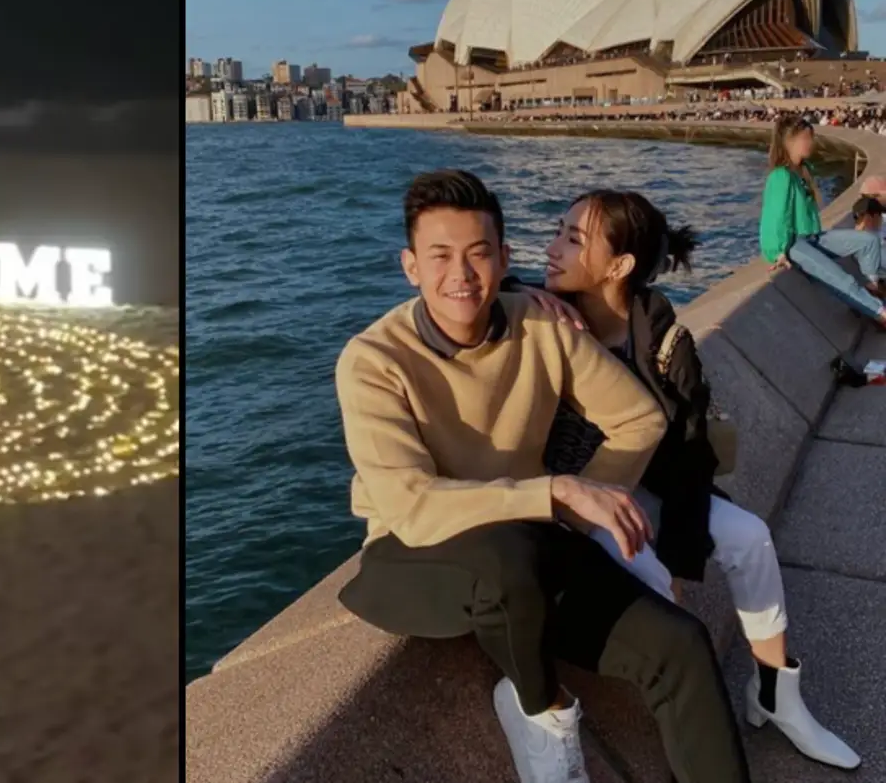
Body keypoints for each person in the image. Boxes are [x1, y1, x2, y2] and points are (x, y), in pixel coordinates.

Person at [334, 170, 750, 783]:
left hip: (529, 541)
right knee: (509, 549)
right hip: (412, 554)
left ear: (505, 258)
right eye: (440, 256)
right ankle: (543, 710)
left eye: (480, 255)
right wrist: (554, 491)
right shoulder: (373, 360)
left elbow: (638, 418)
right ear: (410, 267)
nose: (462, 275)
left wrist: (583, 505)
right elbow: (413, 507)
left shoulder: (541, 323)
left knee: (680, 647)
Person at [506, 189, 859, 770]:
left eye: (573, 239)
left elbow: (692, 453)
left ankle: (775, 696)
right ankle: (685, 737)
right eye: (558, 232)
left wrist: (678, 552)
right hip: (575, 500)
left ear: (618, 266)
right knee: (654, 589)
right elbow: (477, 293)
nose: (552, 249)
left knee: (750, 538)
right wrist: (520, 291)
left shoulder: (665, 338)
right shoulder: (540, 309)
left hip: (655, 484)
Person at [759, 114, 886, 325]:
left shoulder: (802, 171)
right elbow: (774, 217)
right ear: (790, 142)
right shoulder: (780, 176)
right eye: (806, 139)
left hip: (813, 237)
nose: (811, 143)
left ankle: (872, 288)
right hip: (794, 243)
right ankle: (880, 313)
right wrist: (777, 251)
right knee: (840, 278)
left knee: (868, 241)